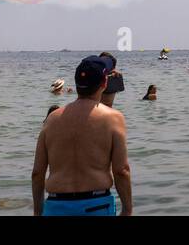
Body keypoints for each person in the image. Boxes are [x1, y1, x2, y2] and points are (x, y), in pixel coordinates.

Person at [32, 56, 132, 216]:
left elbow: (37, 173)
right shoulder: (113, 118)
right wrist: (127, 209)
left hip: (56, 206)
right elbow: (121, 170)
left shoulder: (52, 119)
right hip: (96, 206)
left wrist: (38, 212)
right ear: (104, 83)